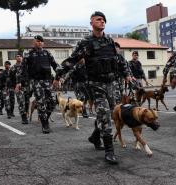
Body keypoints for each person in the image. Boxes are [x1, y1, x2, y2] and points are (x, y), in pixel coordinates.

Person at [54, 11, 133, 164]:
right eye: (98, 19)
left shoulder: (110, 41)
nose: (101, 21)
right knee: (104, 113)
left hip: (111, 84)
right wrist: (58, 76)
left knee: (108, 114)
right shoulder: (86, 42)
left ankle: (95, 136)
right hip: (96, 85)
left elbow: (120, 60)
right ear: (91, 23)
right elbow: (73, 60)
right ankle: (109, 150)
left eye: (103, 19)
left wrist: (128, 74)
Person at [16, 35, 59, 134]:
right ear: (33, 42)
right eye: (37, 41)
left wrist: (59, 76)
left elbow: (55, 65)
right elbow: (21, 69)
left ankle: (45, 118)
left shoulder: (47, 53)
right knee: (41, 102)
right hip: (36, 82)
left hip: (47, 81)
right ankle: (45, 124)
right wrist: (18, 82)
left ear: (43, 43)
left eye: (41, 41)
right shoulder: (28, 55)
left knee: (52, 102)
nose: (39, 43)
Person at [12, 53, 30, 124]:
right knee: (21, 102)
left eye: (20, 56)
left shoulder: (26, 66)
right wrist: (14, 85)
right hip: (19, 87)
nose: (19, 58)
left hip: (27, 86)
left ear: (22, 58)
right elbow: (10, 77)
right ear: (16, 58)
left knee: (26, 102)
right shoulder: (13, 67)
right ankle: (23, 117)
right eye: (17, 56)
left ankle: (26, 113)